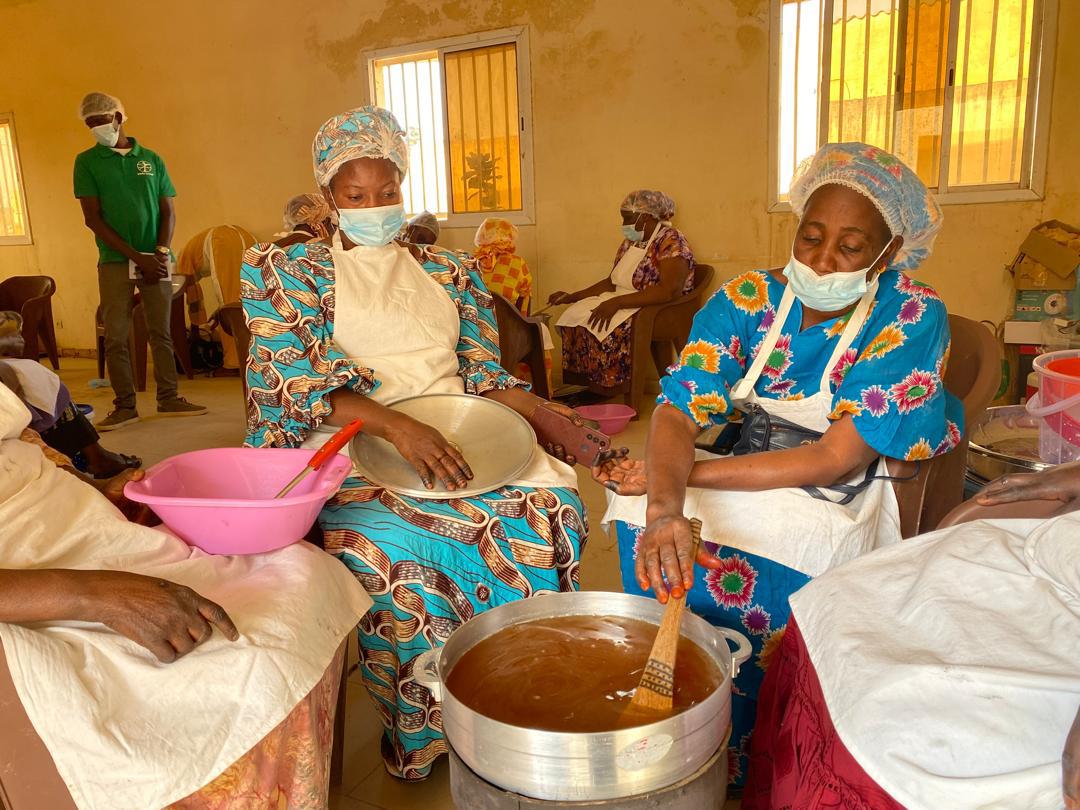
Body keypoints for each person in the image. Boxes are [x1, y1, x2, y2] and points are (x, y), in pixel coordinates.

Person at [240, 106, 591, 781]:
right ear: (328, 198)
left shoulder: (450, 271)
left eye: (387, 192)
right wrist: (399, 426)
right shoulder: (288, 271)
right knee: (395, 552)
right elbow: (293, 379)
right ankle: (424, 730)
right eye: (355, 196)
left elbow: (486, 379)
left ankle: (511, 699)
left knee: (548, 510)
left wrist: (567, 431)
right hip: (340, 443)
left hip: (454, 431)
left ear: (405, 184)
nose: (375, 207)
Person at [596, 143, 961, 785]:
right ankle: (683, 701)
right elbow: (679, 409)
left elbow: (829, 459)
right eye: (811, 236)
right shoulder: (751, 298)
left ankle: (769, 735)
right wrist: (660, 504)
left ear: (890, 250)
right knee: (634, 506)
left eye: (850, 247)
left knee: (790, 532)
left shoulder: (909, 315)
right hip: (758, 452)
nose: (821, 260)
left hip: (849, 474)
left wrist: (680, 478)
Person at [0, 381, 372, 807]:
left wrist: (96, 491)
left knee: (296, 571)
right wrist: (93, 594)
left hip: (88, 535)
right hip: (29, 586)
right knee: (235, 665)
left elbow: (24, 457)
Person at [744, 462, 1080, 810]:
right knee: (842, 599)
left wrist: (694, 473)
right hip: (1048, 560)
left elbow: (834, 456)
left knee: (906, 733)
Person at [74, 92, 206, 430]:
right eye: (90, 125)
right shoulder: (87, 162)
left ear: (118, 118)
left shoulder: (151, 159)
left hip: (157, 259)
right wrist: (136, 258)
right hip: (115, 261)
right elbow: (93, 218)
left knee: (160, 330)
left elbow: (168, 211)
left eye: (101, 122)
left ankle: (169, 398)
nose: (96, 130)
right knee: (117, 335)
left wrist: (160, 253)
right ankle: (125, 405)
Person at [552, 189, 695, 392]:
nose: (624, 225)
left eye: (628, 218)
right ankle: (595, 386)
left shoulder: (672, 240)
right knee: (576, 315)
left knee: (607, 324)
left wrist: (617, 303)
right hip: (626, 298)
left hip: (658, 306)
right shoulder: (632, 242)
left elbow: (668, 290)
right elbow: (612, 282)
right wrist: (572, 297)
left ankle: (617, 384)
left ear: (645, 217)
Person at [474, 216, 554, 389]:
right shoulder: (517, 264)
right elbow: (523, 304)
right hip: (506, 334)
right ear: (508, 237)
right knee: (540, 334)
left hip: (475, 332)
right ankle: (538, 391)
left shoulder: (472, 263)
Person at [176, 224, 258, 369]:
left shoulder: (181, 264)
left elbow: (194, 298)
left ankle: (234, 362)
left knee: (228, 304)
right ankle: (256, 358)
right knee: (252, 301)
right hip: (247, 237)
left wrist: (196, 328)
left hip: (220, 241)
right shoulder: (191, 250)